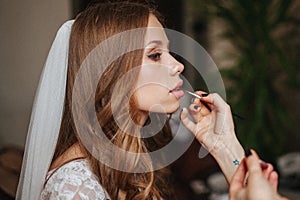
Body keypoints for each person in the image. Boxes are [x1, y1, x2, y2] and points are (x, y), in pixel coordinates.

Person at [16, 1, 277, 199]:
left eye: (168, 52)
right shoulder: (74, 185)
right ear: (110, 72)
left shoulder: (126, 160)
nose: (177, 66)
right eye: (154, 55)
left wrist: (223, 145)